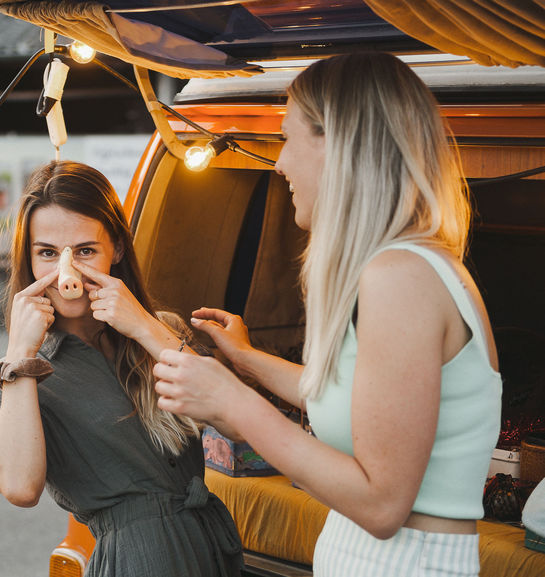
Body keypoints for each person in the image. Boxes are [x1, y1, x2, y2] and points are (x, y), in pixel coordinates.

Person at [153, 52, 502, 577]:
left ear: (340, 144)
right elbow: (358, 401)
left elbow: (383, 506)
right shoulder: (405, 266)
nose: (280, 163)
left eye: (288, 137)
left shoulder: (400, 277)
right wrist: (246, 360)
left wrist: (237, 405)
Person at [0, 160, 243, 577]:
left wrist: (143, 326)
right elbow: (20, 489)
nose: (67, 272)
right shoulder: (13, 375)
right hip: (139, 563)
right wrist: (21, 353)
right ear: (28, 258)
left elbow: (239, 420)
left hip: (210, 549)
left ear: (115, 248)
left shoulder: (161, 331)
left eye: (84, 251)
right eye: (47, 253)